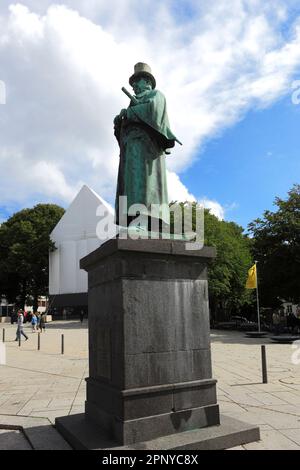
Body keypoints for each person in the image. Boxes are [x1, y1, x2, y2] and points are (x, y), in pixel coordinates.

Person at [114, 62, 180, 230]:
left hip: (146, 150)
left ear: (147, 81)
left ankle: (145, 220)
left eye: (137, 81)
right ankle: (132, 220)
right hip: (131, 150)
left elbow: (154, 112)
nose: (134, 85)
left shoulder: (156, 95)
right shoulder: (133, 103)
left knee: (145, 187)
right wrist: (120, 122)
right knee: (130, 187)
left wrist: (130, 113)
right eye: (133, 82)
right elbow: (122, 132)